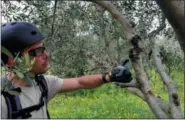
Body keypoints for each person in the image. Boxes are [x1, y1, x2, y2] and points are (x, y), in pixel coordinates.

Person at [1, 21, 133, 119]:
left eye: (44, 48)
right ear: (14, 60)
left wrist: (109, 76)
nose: (46, 55)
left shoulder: (43, 83)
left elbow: (80, 82)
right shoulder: (3, 98)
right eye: (38, 51)